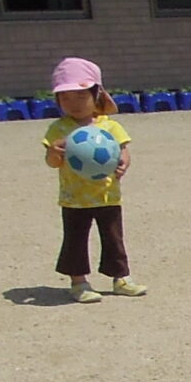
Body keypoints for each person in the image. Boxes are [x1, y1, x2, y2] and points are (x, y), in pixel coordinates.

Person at [42, 56, 142, 302]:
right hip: (74, 199)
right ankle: (78, 282)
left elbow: (124, 151)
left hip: (107, 195)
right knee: (75, 240)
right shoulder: (58, 129)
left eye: (80, 96)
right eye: (65, 98)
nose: (73, 104)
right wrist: (54, 152)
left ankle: (121, 278)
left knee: (113, 239)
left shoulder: (109, 126)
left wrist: (123, 164)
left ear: (97, 94)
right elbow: (51, 161)